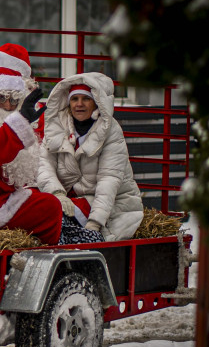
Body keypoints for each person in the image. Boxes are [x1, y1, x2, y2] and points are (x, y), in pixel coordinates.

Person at [0, 43, 103, 245]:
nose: (7, 105)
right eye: (1, 97)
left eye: (14, 100)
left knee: (41, 200)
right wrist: (19, 122)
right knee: (49, 207)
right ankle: (46, 252)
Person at [37, 73, 143, 241]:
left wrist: (95, 222)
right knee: (32, 206)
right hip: (67, 199)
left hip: (109, 204)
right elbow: (44, 165)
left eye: (85, 99)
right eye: (74, 99)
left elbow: (109, 180)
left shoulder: (111, 132)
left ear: (96, 102)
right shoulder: (57, 127)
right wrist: (57, 193)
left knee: (53, 219)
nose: (79, 104)